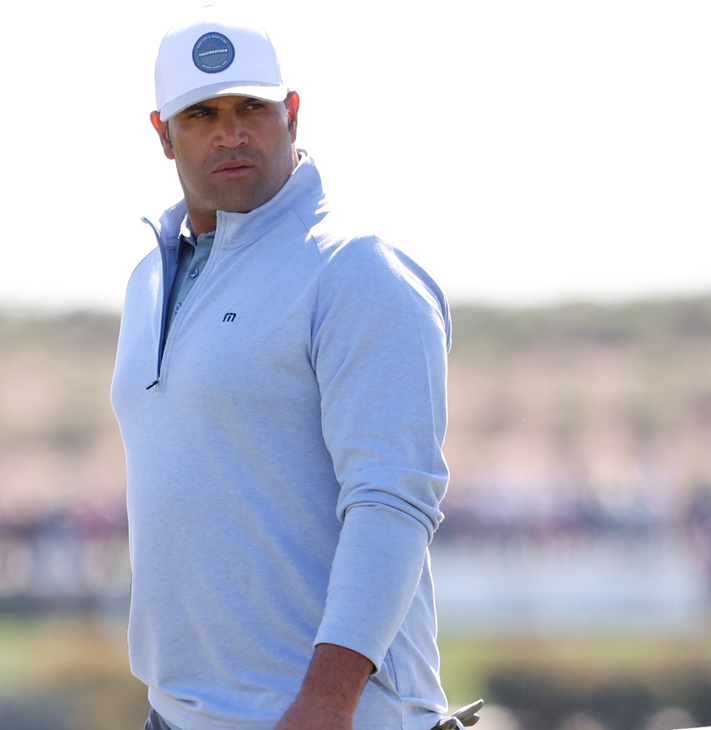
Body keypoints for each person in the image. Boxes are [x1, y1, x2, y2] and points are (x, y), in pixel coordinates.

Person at [110, 7, 452, 730]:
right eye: (202, 114)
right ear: (162, 133)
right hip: (176, 716)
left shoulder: (356, 269)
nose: (231, 133)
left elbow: (393, 501)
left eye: (252, 108)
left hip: (328, 718)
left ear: (292, 114)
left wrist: (326, 703)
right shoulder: (149, 274)